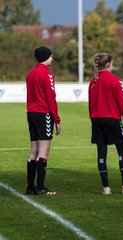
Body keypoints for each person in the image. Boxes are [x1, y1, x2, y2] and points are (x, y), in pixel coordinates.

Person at [88, 52, 123, 196]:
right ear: (108, 64)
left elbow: (90, 104)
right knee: (122, 152)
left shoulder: (93, 82)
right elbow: (122, 104)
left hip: (96, 120)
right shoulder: (115, 80)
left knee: (101, 153)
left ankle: (106, 188)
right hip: (112, 119)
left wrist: (93, 120)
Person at [26, 46, 61, 195]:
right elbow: (50, 98)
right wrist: (56, 119)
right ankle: (40, 187)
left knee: (33, 151)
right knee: (43, 152)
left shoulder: (30, 73)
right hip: (43, 114)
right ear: (46, 57)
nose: (52, 58)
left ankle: (30, 187)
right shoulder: (47, 74)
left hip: (31, 113)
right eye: (51, 56)